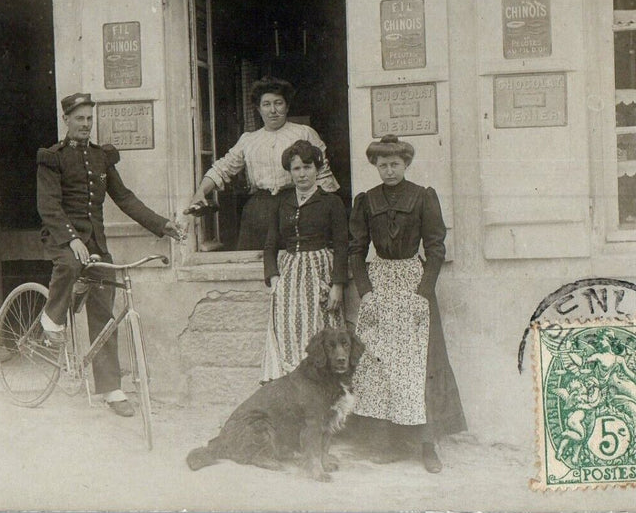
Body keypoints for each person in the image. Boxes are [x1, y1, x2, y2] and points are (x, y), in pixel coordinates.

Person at [36, 92, 185, 417]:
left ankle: (111, 388)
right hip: (63, 239)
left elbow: (125, 198)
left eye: (90, 119)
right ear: (66, 120)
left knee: (104, 309)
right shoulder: (52, 157)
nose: (86, 124)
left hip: (96, 245)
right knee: (71, 262)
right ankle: (51, 320)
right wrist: (72, 238)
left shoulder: (101, 157)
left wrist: (162, 225)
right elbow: (48, 206)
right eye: (79, 119)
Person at [348, 134, 466, 472]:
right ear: (375, 166)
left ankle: (427, 445)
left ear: (406, 164)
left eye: (395, 164)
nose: (388, 170)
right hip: (380, 284)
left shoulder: (423, 197)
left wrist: (423, 291)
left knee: (420, 366)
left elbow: (436, 247)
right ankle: (390, 442)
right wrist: (365, 291)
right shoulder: (366, 201)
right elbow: (356, 249)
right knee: (380, 363)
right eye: (382, 165)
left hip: (414, 286)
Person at [187, 78, 339, 250]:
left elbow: (323, 175)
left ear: (287, 106)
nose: (273, 110)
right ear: (259, 109)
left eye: (278, 103)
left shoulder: (304, 133)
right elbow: (223, 168)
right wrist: (201, 192)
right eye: (266, 104)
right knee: (256, 261)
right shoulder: (249, 140)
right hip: (259, 210)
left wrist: (323, 211)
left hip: (296, 204)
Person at [261, 140, 349, 382]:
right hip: (288, 276)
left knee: (319, 332)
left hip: (320, 274)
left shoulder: (331, 203)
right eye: (296, 169)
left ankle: (321, 390)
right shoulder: (281, 203)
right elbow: (270, 244)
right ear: (290, 172)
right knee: (287, 331)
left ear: (317, 169)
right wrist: (274, 277)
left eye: (307, 167)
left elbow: (342, 245)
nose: (302, 174)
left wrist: (337, 285)